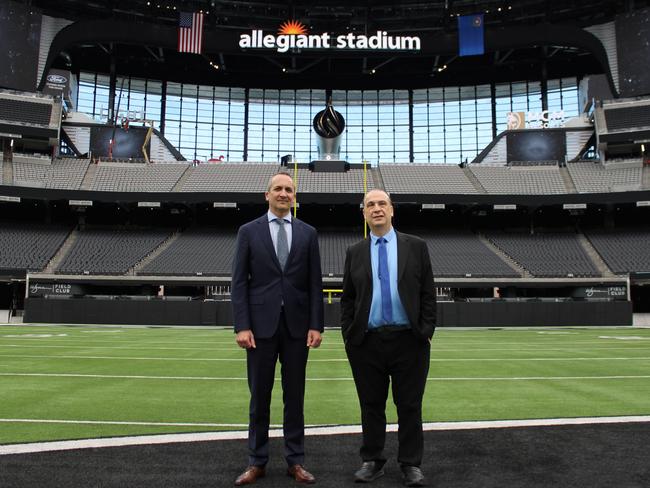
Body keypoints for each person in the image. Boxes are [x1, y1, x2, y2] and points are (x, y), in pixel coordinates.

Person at [231, 171, 324, 486]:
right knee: (259, 397)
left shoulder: (308, 233)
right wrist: (242, 326)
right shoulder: (248, 231)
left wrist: (316, 325)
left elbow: (314, 283)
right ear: (267, 195)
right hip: (259, 328)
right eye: (278, 189)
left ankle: (295, 461)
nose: (284, 193)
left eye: (289, 189)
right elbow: (239, 282)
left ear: (294, 196)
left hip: (298, 327)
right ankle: (256, 461)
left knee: (294, 397)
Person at [340, 189, 436, 487]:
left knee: (409, 405)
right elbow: (348, 298)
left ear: (392, 210)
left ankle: (410, 463)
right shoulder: (355, 251)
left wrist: (426, 331)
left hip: (409, 339)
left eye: (382, 204)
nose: (377, 209)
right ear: (364, 213)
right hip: (367, 342)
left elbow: (428, 293)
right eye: (371, 205)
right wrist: (349, 334)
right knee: (370, 404)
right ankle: (373, 460)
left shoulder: (416, 246)